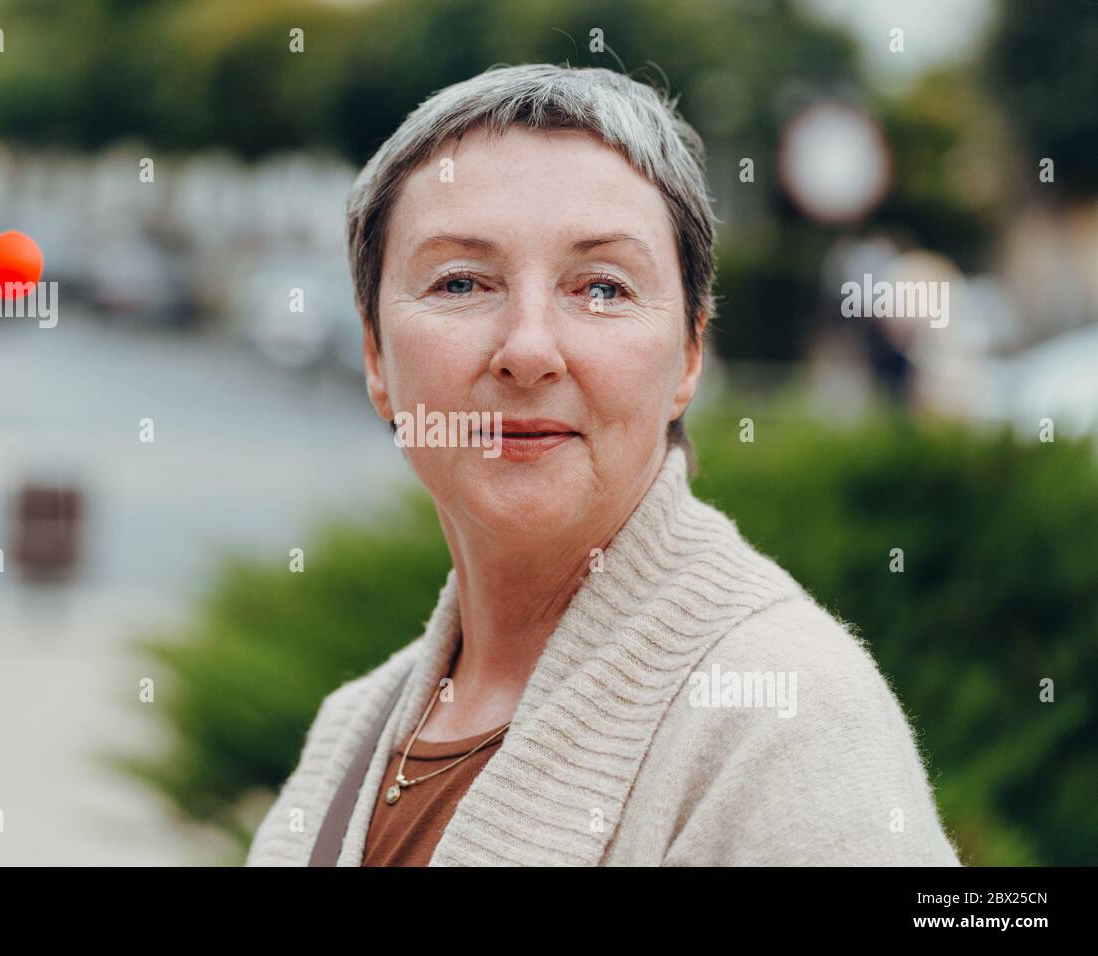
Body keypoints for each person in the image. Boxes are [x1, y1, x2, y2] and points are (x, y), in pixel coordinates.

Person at [246, 63, 963, 866]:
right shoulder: (353, 734)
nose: (527, 350)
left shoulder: (784, 718)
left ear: (690, 353)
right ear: (376, 355)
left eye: (602, 288)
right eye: (459, 282)